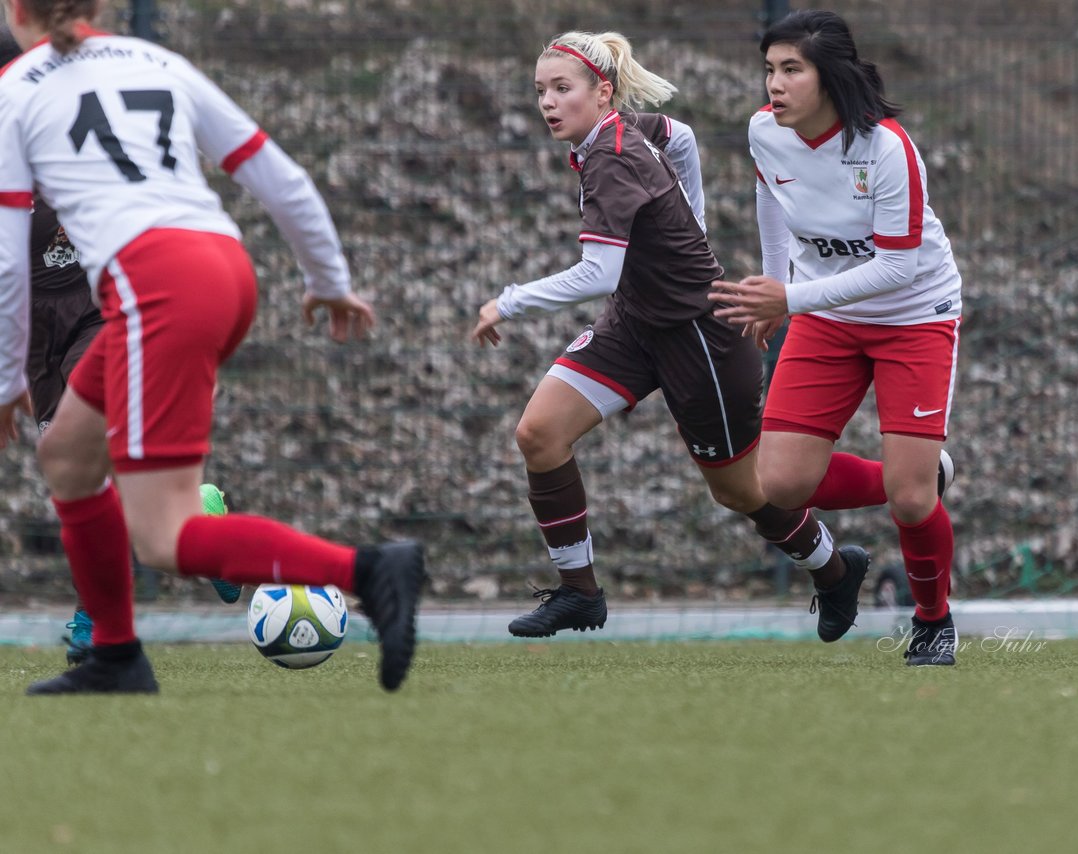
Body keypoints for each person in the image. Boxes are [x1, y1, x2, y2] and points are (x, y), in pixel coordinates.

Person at [0, 1, 424, 694]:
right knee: (69, 454)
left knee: (165, 536)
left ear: (16, 11)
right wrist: (329, 281)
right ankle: (115, 655)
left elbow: (10, 260)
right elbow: (279, 177)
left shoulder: (18, 86)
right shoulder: (158, 62)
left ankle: (368, 571)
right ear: (102, 6)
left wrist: (2, 378)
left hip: (153, 285)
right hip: (222, 264)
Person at [471, 29, 872, 641]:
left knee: (742, 492)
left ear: (601, 92)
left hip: (700, 340)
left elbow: (598, 273)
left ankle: (835, 568)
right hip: (635, 325)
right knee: (539, 434)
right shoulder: (617, 134)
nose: (548, 103)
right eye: (540, 91)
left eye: (562, 89)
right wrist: (694, 221)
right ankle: (580, 594)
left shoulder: (609, 155)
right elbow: (678, 136)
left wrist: (509, 301)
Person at [708, 10, 962, 666]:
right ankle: (922, 476)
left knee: (911, 505)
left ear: (832, 75)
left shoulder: (886, 149)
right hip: (826, 315)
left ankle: (932, 620)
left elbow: (897, 268)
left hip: (913, 316)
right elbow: (770, 199)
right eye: (770, 69)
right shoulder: (765, 131)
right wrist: (773, 283)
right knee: (781, 483)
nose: (775, 83)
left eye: (792, 69)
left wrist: (789, 297)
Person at [0, 34, 243, 666]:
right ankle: (201, 515)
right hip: (29, 333)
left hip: (94, 310)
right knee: (71, 475)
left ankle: (96, 616)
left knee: (92, 456)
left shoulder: (58, 123)